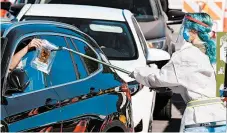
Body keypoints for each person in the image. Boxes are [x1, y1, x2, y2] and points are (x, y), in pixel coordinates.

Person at [129, 13, 226, 132]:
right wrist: (170, 88)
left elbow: (159, 78)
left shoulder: (186, 55)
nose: (181, 31)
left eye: (184, 26)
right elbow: (196, 83)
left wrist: (137, 72)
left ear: (193, 31)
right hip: (220, 117)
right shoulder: (213, 53)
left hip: (199, 121)